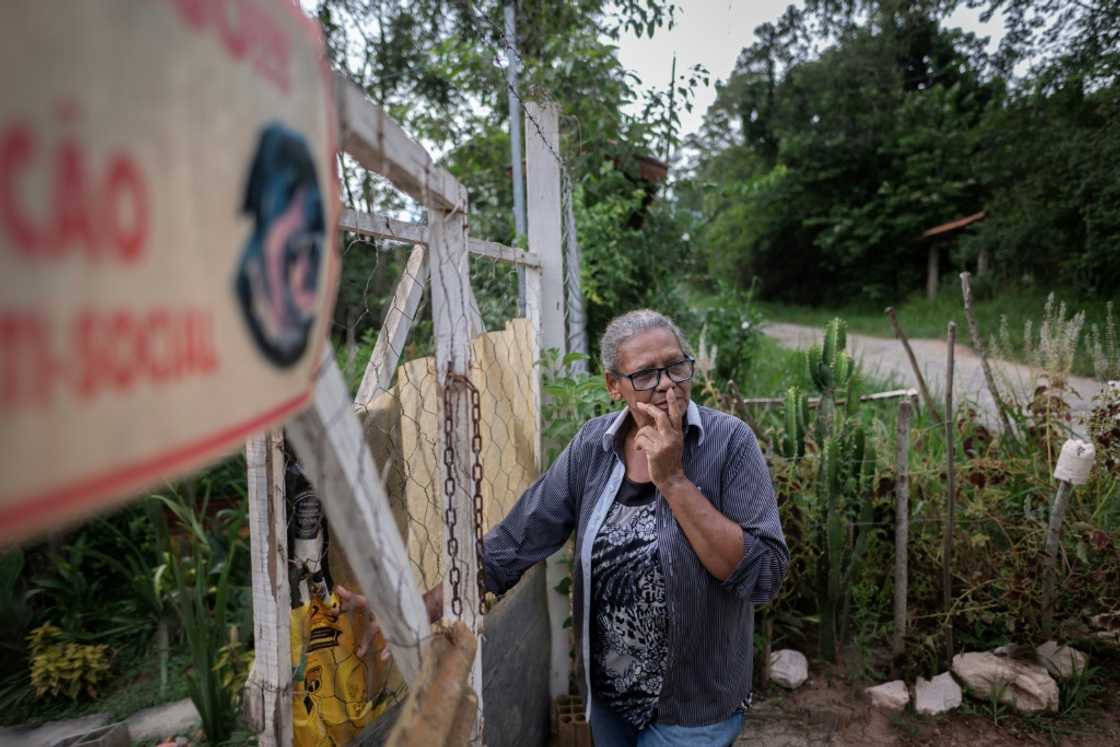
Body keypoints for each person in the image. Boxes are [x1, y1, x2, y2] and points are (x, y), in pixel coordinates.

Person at [340, 309, 788, 747]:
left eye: (676, 366)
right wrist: (421, 607)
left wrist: (673, 480)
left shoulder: (729, 443)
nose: (667, 383)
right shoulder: (593, 447)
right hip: (610, 701)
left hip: (693, 706)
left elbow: (763, 572)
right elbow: (514, 542)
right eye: (645, 374)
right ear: (613, 385)